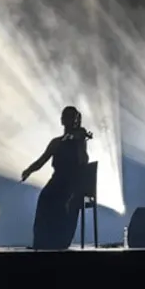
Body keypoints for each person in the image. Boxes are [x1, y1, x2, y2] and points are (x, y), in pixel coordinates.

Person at [22, 106, 92, 250]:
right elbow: (41, 161)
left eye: (72, 118)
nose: (70, 121)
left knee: (63, 202)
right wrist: (29, 170)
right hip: (57, 180)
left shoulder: (79, 140)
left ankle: (59, 241)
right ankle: (41, 242)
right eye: (66, 117)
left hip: (73, 182)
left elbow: (83, 162)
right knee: (45, 197)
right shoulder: (56, 142)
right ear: (62, 120)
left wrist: (80, 142)